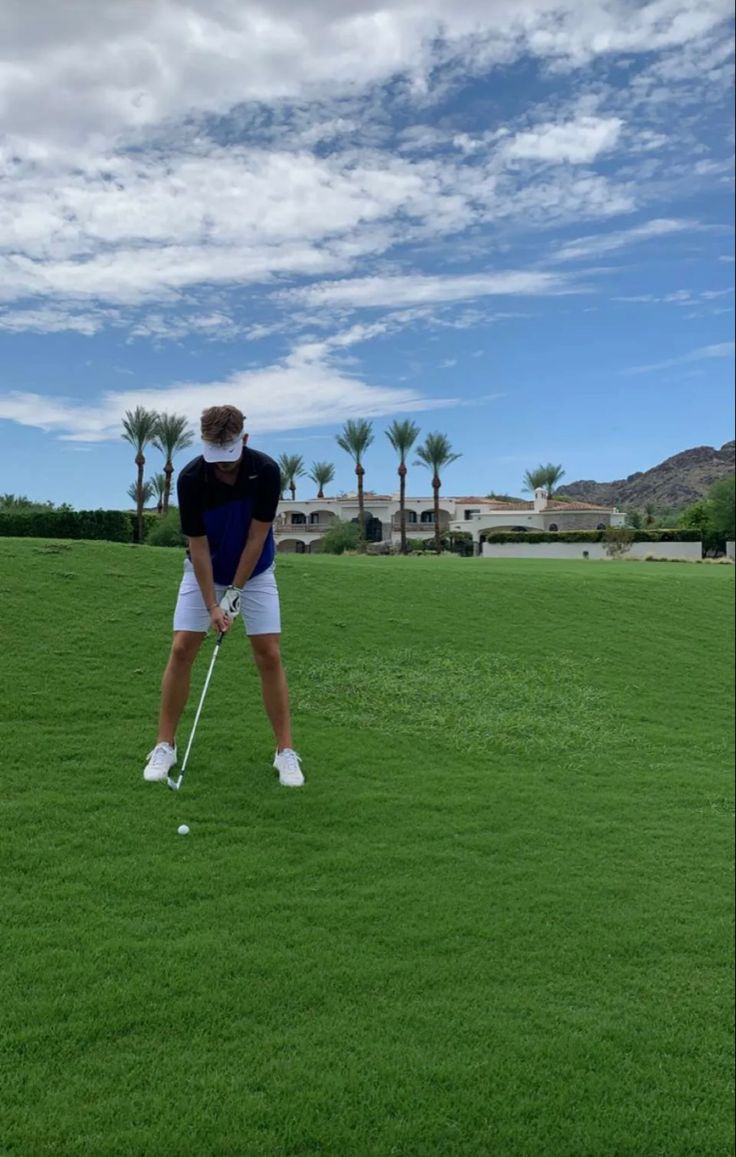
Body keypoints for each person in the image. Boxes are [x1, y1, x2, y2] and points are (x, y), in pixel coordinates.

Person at [143, 404, 304, 787]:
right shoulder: (191, 478)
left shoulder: (265, 471)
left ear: (243, 440)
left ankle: (285, 752)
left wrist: (237, 591)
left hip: (257, 572)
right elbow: (197, 547)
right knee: (182, 647)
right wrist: (214, 604)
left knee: (269, 654)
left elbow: (257, 536)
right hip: (204, 572)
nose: (222, 466)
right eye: (215, 457)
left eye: (229, 457)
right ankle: (165, 745)